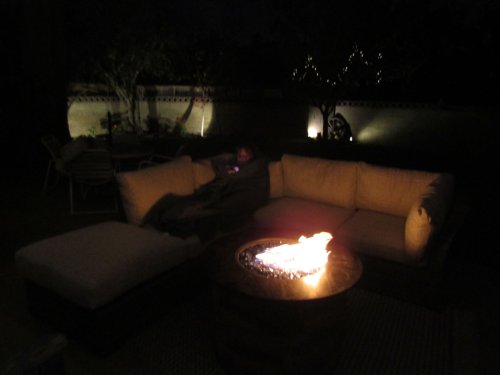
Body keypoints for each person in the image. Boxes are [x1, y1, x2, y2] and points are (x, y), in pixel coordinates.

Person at [142, 142, 269, 242]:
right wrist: (229, 161)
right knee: (176, 200)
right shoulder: (235, 162)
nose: (242, 158)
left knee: (207, 211)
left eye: (245, 155)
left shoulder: (258, 163)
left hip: (249, 196)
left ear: (252, 155)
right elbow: (217, 161)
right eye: (240, 155)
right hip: (230, 193)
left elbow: (235, 177)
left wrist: (227, 172)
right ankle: (160, 223)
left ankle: (175, 225)